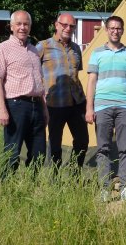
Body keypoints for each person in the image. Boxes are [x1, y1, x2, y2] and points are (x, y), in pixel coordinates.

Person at [85, 15, 126, 201]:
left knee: (125, 148)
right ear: (106, 30)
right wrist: (89, 108)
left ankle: (125, 187)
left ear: (123, 30)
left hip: (125, 105)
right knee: (103, 148)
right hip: (102, 105)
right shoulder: (96, 53)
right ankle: (104, 188)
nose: (115, 31)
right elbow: (91, 82)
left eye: (118, 28)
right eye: (112, 28)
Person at [0, 10, 48, 180]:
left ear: (30, 27)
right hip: (16, 105)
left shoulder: (33, 51)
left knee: (39, 152)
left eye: (26, 24)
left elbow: (40, 82)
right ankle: (6, 186)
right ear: (11, 26)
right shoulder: (3, 48)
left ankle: (30, 186)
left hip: (36, 105)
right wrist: (2, 109)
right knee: (12, 151)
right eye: (19, 24)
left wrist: (45, 109)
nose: (23, 27)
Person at [37, 12, 89, 174]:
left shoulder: (76, 49)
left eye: (72, 26)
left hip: (77, 102)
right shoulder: (43, 46)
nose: (68, 28)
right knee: (55, 143)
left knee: (82, 141)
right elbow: (33, 71)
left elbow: (76, 74)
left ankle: (75, 174)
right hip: (54, 103)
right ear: (56, 25)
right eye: (65, 25)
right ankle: (55, 176)